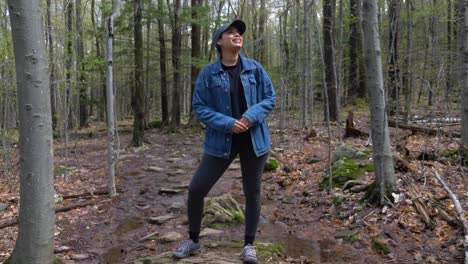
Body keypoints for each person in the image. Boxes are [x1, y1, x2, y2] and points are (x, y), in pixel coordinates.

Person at [172, 19, 275, 264]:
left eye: (238, 32)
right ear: (219, 42)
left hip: (254, 140)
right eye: (230, 33)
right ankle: (194, 241)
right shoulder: (209, 73)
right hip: (221, 141)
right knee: (197, 189)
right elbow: (200, 107)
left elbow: (270, 98)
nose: (236, 35)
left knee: (252, 192)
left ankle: (249, 245)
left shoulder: (255, 69)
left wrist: (250, 117)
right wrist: (228, 123)